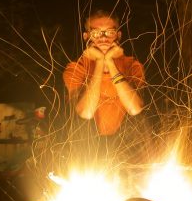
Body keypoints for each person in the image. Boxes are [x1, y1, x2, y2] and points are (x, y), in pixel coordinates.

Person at [62, 10, 147, 164]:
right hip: (87, 147)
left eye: (109, 32)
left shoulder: (132, 65)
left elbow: (135, 109)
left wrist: (111, 63)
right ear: (86, 36)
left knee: (140, 121)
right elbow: (86, 112)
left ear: (118, 35)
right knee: (80, 126)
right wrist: (100, 63)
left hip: (127, 144)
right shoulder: (76, 68)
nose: (103, 38)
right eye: (96, 33)